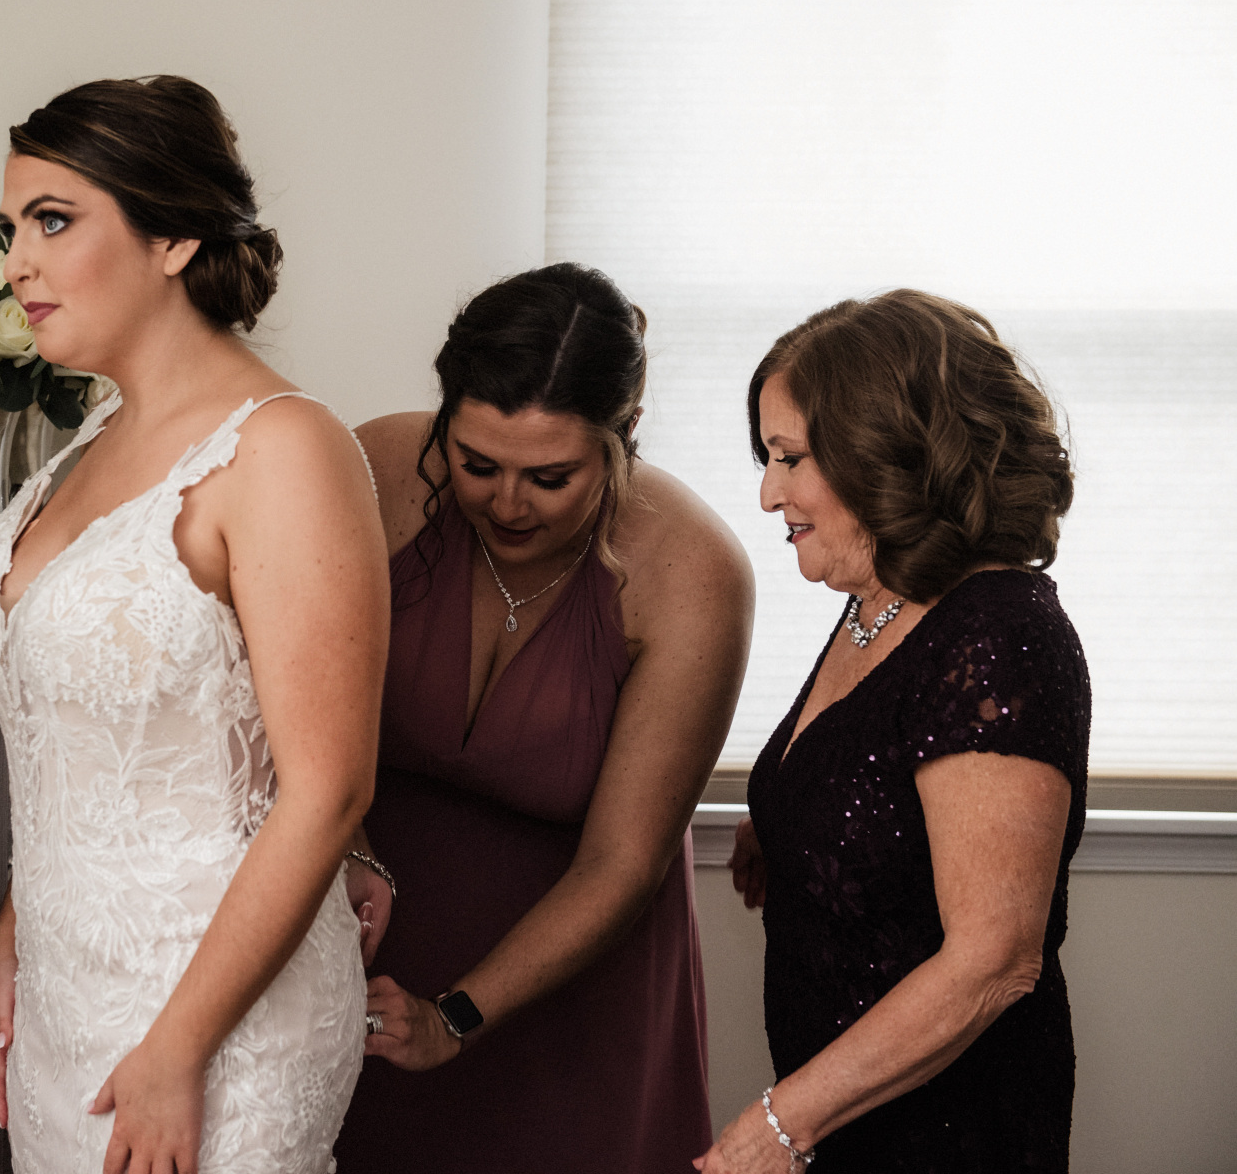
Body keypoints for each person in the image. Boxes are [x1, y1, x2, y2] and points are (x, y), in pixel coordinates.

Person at [0, 76, 388, 1174]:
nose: (16, 263)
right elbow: (77, 734)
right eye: (12, 227)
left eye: (53, 221)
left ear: (174, 238)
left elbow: (328, 791)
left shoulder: (283, 450)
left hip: (218, 1019)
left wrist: (178, 1049)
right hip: (62, 990)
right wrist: (18, 923)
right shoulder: (91, 439)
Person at [335, 264, 754, 1171]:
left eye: (551, 477)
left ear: (624, 434)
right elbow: (279, 697)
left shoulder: (691, 571)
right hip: (366, 947)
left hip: (572, 982)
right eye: (476, 463)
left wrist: (455, 1016)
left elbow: (624, 862)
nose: (506, 503)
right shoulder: (378, 472)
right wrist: (348, 843)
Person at [699, 290, 1088, 1173]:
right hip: (849, 1118)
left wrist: (775, 1130)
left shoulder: (998, 634)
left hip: (949, 1135)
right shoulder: (881, 598)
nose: (768, 494)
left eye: (790, 458)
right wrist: (789, 825)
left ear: (884, 451)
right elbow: (881, 769)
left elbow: (994, 960)